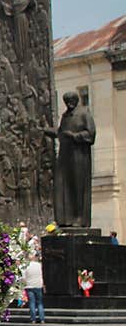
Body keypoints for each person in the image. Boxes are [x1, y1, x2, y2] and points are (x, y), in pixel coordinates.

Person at [44, 91, 96, 228]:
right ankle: (65, 219)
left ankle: (79, 218)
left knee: (78, 187)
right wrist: (47, 130)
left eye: (71, 100)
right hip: (65, 156)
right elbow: (60, 132)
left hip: (79, 156)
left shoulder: (84, 113)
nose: (68, 103)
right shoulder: (65, 116)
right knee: (63, 186)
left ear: (76, 100)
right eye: (66, 101)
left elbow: (90, 134)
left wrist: (74, 136)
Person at [23, 252, 45, 324]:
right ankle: (42, 319)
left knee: (32, 303)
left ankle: (33, 319)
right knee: (40, 303)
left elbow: (23, 277)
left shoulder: (26, 266)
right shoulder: (39, 265)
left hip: (29, 285)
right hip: (38, 285)